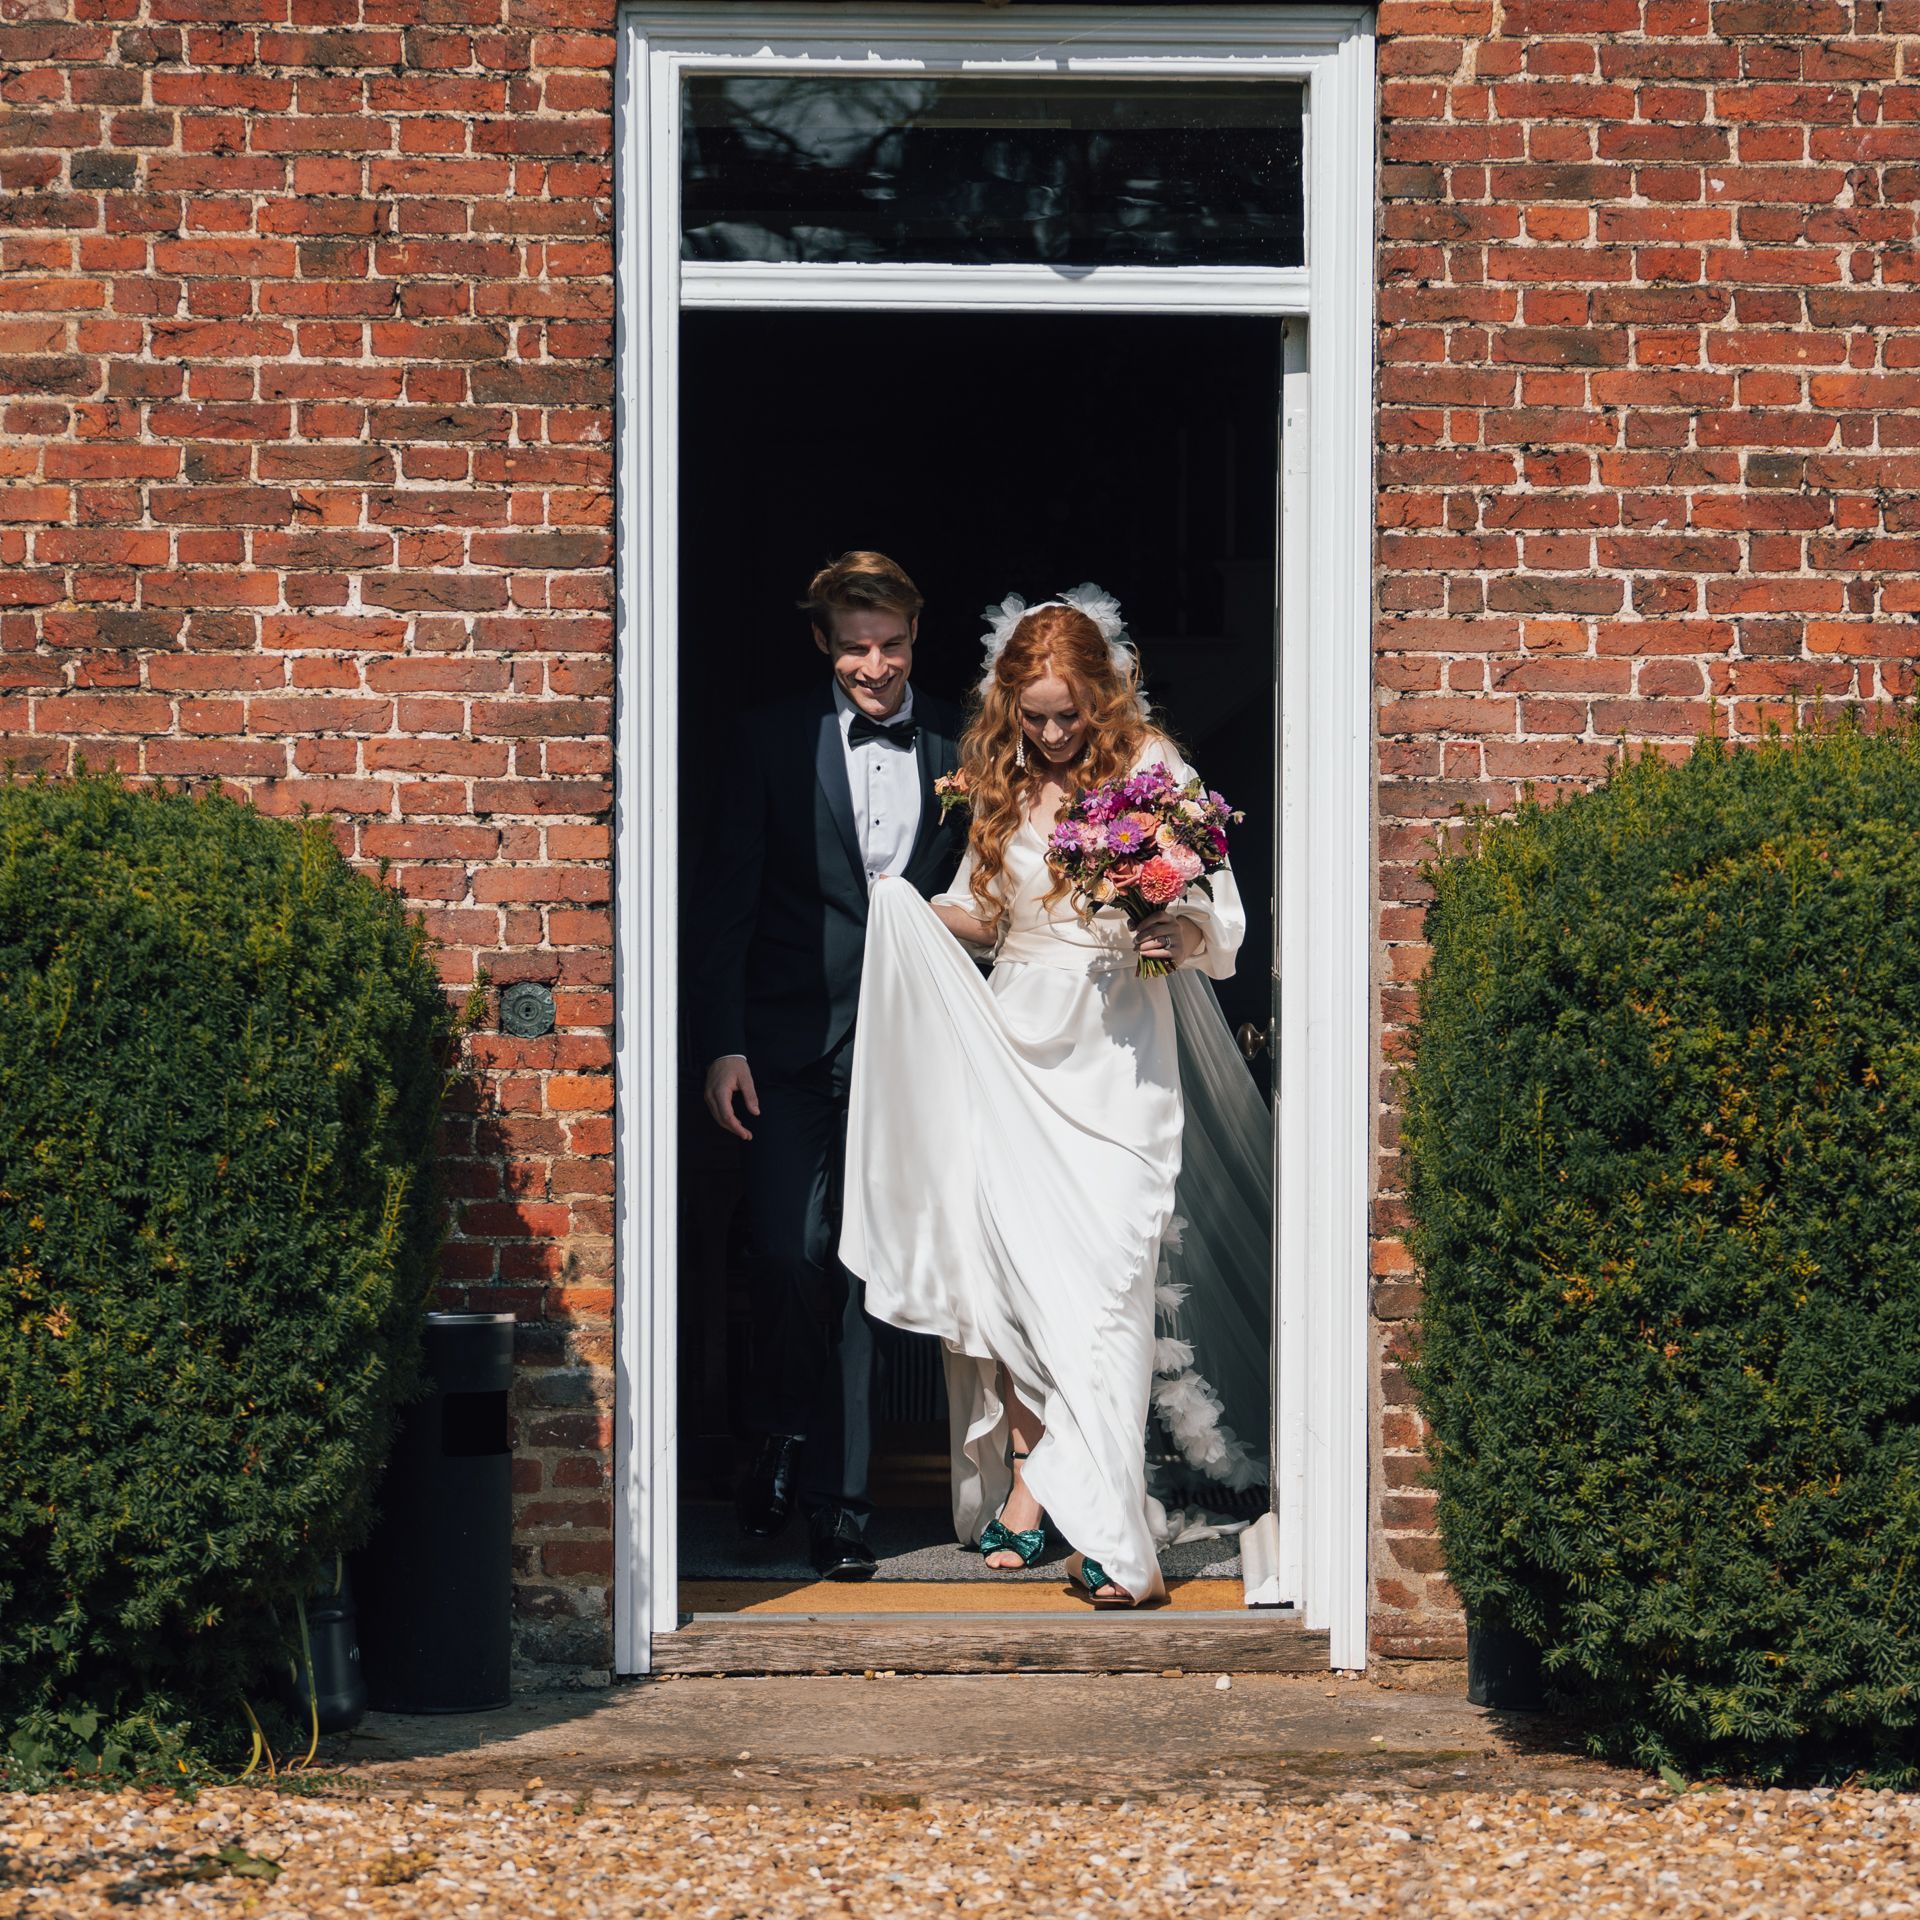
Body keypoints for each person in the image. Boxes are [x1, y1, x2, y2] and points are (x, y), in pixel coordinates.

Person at [839, 586, 1269, 1607]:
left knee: (1114, 1279)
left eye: (1069, 714)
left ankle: (1092, 1529)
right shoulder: (997, 775)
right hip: (1016, 1047)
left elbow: (1216, 902)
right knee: (1040, 1292)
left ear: (1102, 697)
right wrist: (917, 914)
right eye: (1033, 717)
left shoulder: (1153, 767)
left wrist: (1178, 929)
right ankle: (1099, 1530)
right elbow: (993, 917)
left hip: (1121, 1048)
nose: (1052, 734)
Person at [696, 551, 965, 1580]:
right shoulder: (766, 740)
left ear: (914, 635)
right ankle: (777, 1427)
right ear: (824, 643)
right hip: (784, 1044)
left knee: (863, 1271)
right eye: (856, 647)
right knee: (785, 1250)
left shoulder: (956, 741)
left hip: (911, 1049)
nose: (876, 667)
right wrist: (722, 1042)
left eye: (892, 646)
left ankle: (840, 1507)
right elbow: (726, 902)